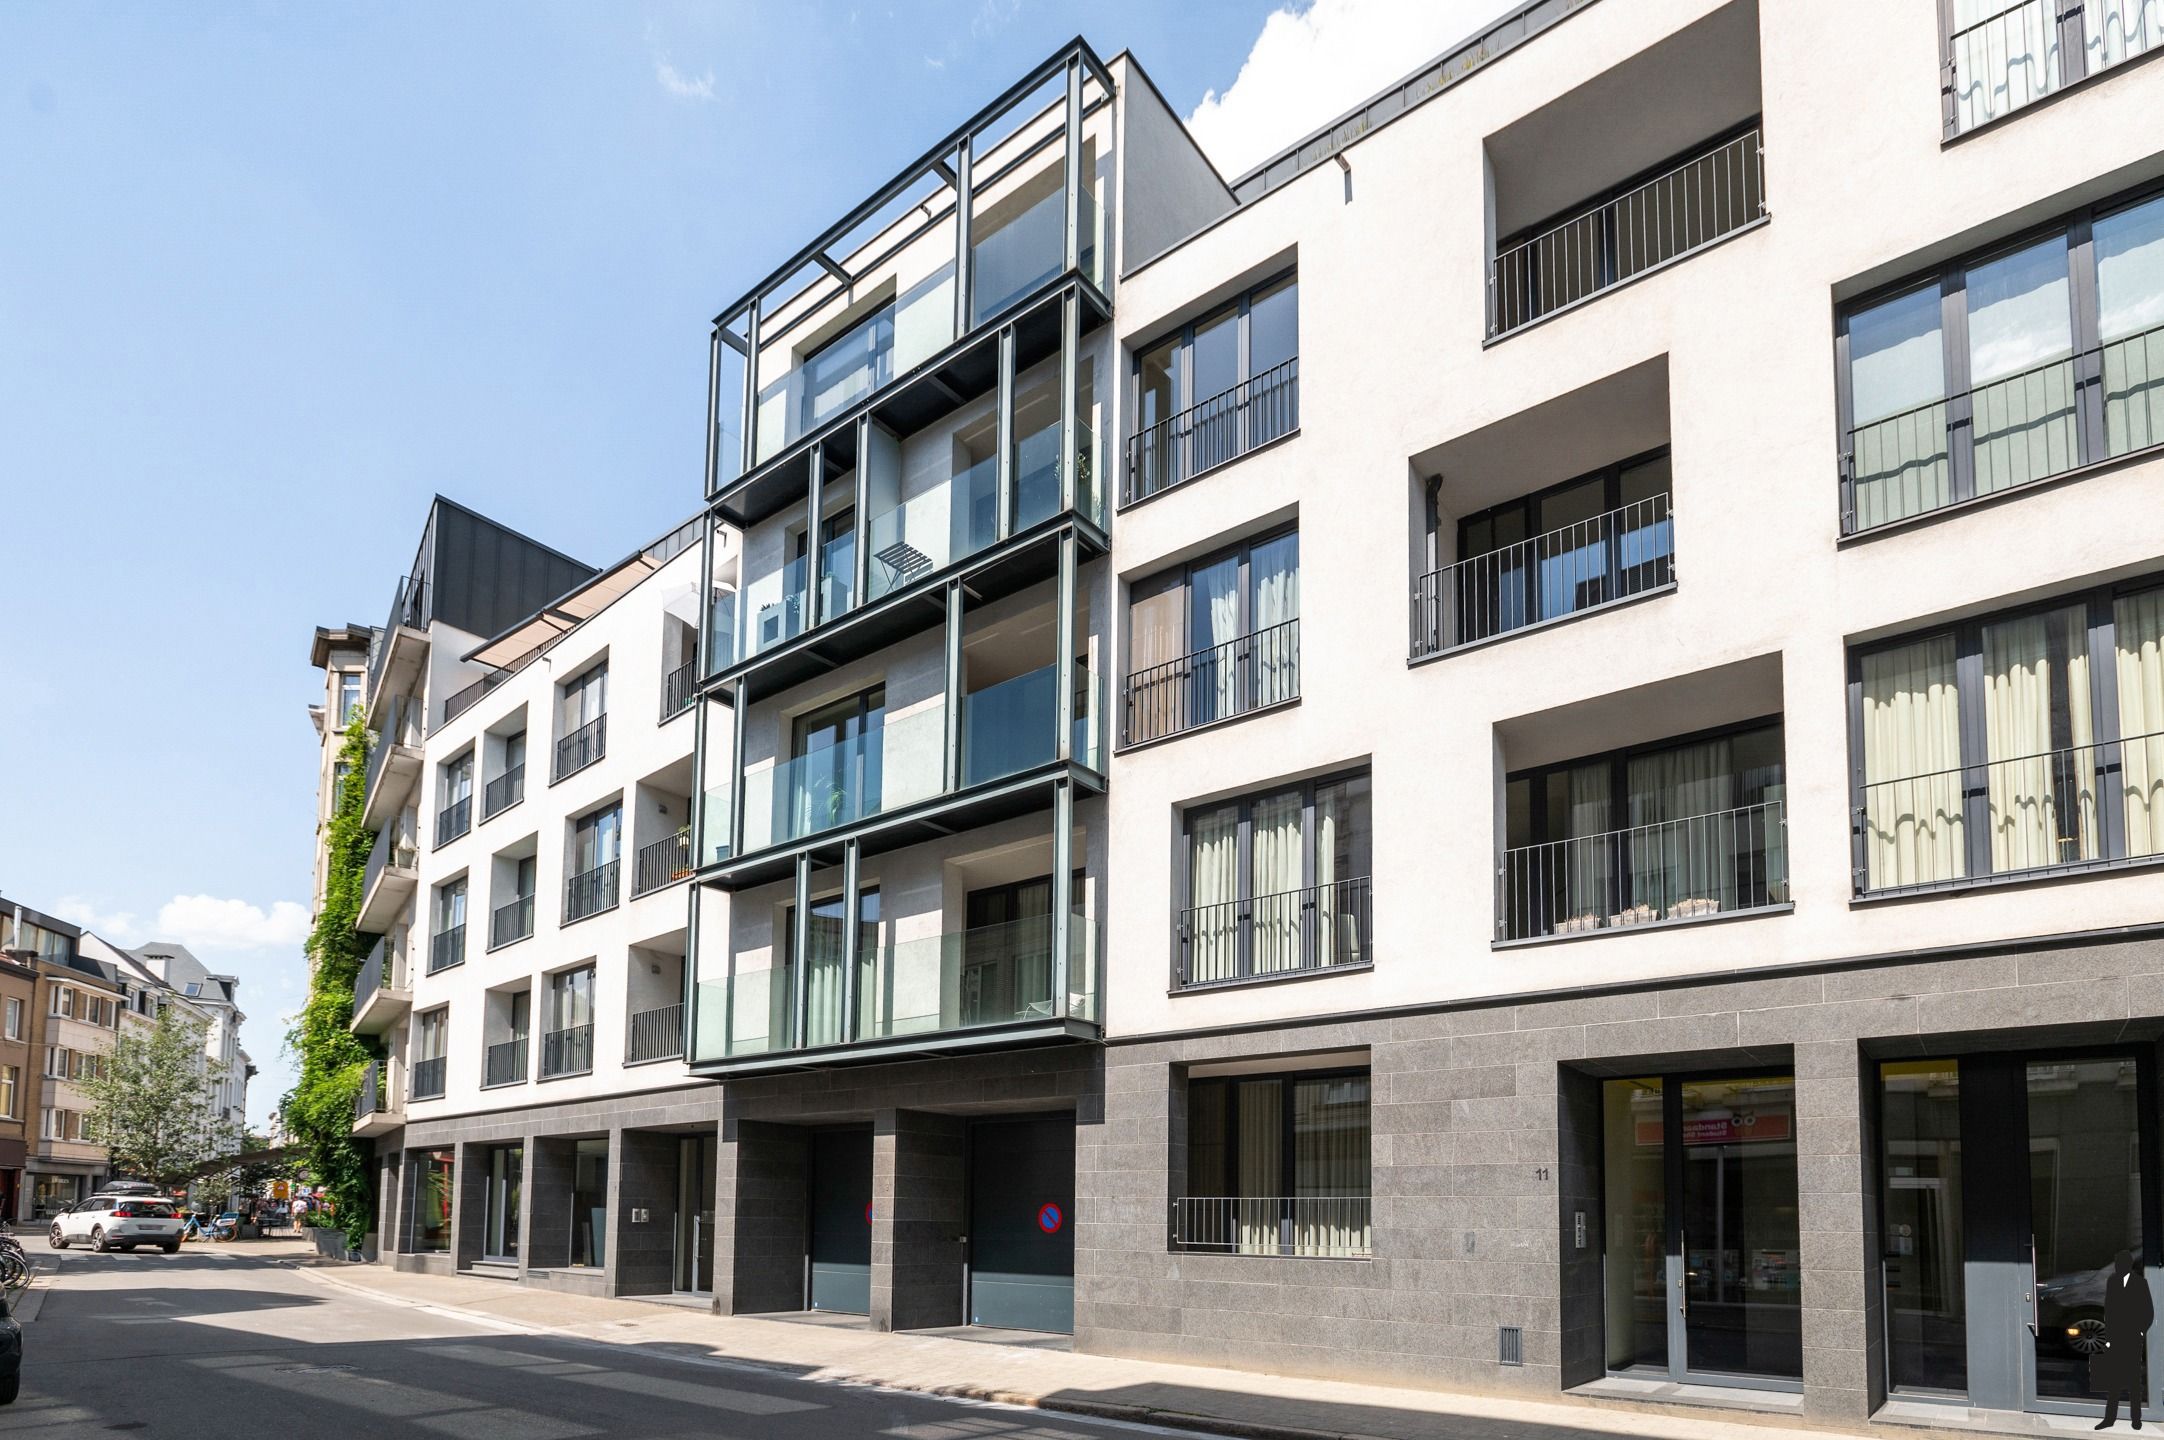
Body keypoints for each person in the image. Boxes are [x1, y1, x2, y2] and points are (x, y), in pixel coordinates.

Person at [2094, 1248, 2152, 1431]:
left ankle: (2136, 1419)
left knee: (2134, 1382)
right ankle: (2109, 1419)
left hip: (2133, 1338)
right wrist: (2109, 1338)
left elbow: (2148, 1312)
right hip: (2116, 1338)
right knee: (2114, 1382)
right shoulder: (2113, 1282)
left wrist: (2140, 1332)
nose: (2117, 1267)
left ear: (2128, 1265)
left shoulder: (2140, 1283)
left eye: (2120, 1264)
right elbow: (2109, 1310)